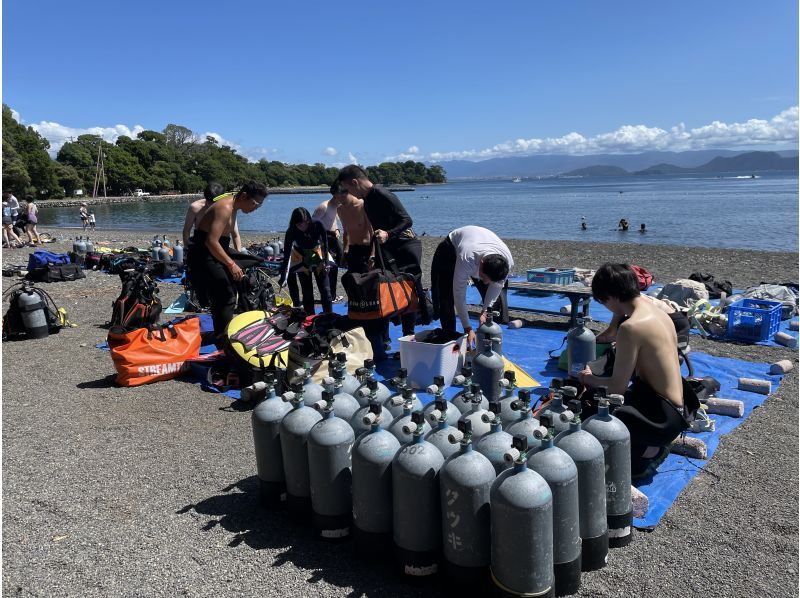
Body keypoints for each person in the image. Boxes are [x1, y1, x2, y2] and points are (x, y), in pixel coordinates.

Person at [578, 263, 699, 478]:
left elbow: (617, 388)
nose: (606, 307)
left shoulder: (630, 327)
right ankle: (651, 447)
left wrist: (590, 378)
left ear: (611, 296)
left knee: (595, 425)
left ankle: (649, 452)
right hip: (682, 407)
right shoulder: (659, 311)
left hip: (660, 419)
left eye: (603, 301)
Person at [337, 165, 426, 347]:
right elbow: (375, 230)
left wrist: (388, 233)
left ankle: (408, 338)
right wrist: (374, 255)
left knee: (407, 290)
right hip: (387, 248)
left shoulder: (382, 194)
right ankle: (384, 338)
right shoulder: (367, 200)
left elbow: (407, 220)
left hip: (406, 246)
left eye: (349, 189)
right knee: (382, 288)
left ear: (355, 182)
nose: (350, 193)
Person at [186, 180, 268, 345]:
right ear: (244, 196)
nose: (255, 209)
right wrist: (231, 264)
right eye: (255, 204)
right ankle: (223, 339)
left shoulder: (235, 205)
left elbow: (225, 238)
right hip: (204, 252)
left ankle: (223, 331)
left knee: (242, 277)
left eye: (259, 206)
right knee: (226, 294)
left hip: (216, 249)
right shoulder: (225, 207)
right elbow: (211, 241)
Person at [430, 225, 513, 349]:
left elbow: (497, 286)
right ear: (481, 263)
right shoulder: (467, 257)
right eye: (484, 277)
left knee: (491, 305)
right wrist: (467, 328)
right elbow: (459, 293)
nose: (484, 282)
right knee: (447, 297)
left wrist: (486, 309)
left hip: (480, 244)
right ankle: (451, 339)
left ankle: (485, 341)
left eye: (488, 280)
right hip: (451, 248)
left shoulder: (507, 263)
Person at [278, 207, 333, 315]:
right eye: (299, 225)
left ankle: (329, 315)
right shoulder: (291, 231)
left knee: (326, 290)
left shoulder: (317, 224)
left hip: (317, 254)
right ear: (294, 224)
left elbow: (325, 244)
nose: (303, 227)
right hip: (301, 257)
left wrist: (326, 263)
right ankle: (310, 318)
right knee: (307, 292)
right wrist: (283, 277)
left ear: (309, 220)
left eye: (306, 223)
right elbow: (287, 254)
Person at [182, 182, 242, 251]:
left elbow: (235, 235)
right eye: (208, 201)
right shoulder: (195, 207)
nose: (210, 205)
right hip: (201, 244)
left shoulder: (229, 209)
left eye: (214, 202)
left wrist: (238, 252)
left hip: (221, 245)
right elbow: (187, 230)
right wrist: (187, 247)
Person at [330, 182, 373, 275]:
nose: (340, 200)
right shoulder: (340, 210)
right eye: (337, 198)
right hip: (353, 250)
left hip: (367, 249)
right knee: (352, 282)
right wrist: (344, 251)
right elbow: (346, 231)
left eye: (342, 197)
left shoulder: (363, 205)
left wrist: (373, 254)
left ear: (348, 192)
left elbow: (372, 231)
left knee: (369, 282)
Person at [312, 194, 344, 302]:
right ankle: (330, 296)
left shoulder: (336, 206)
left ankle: (332, 295)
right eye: (341, 196)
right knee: (331, 267)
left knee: (342, 260)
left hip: (332, 237)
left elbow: (333, 221)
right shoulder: (324, 206)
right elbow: (313, 225)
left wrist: (337, 230)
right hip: (322, 239)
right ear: (336, 196)